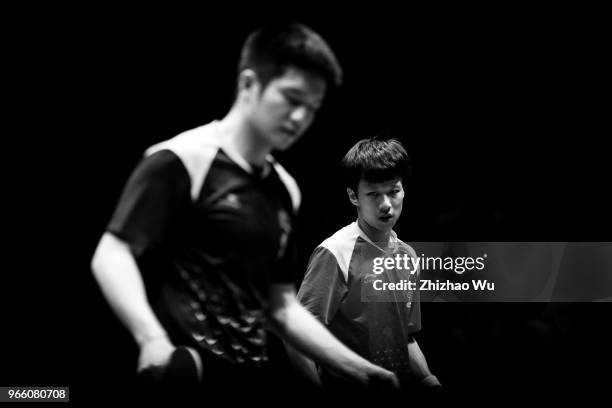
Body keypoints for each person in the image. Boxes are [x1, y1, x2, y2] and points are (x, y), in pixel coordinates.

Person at [90, 22, 399, 394]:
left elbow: (281, 306)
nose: (301, 118)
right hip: (185, 375)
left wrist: (363, 372)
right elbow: (112, 253)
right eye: (291, 99)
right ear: (249, 84)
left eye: (312, 108)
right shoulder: (182, 160)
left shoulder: (285, 190)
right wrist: (150, 338)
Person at [286, 137, 443, 394]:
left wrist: (428, 380)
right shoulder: (335, 252)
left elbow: (405, 338)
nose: (385, 205)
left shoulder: (408, 256)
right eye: (373, 194)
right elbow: (297, 337)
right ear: (353, 196)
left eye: (393, 191)